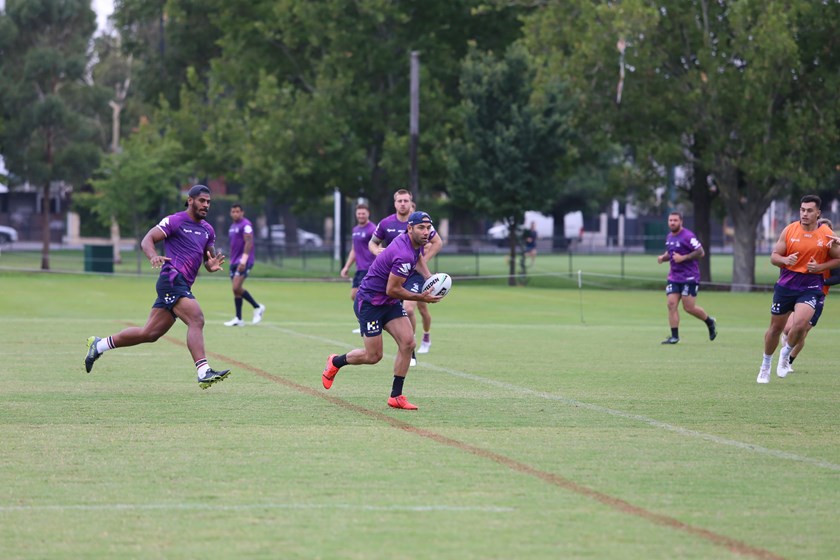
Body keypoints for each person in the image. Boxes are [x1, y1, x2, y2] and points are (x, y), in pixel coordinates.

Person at [84, 184, 232, 389]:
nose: (206, 205)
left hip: (182, 284)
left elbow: (208, 259)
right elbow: (148, 239)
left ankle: (99, 345)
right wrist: (153, 256)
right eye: (202, 201)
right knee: (196, 318)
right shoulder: (175, 221)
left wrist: (211, 265)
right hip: (172, 279)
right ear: (190, 200)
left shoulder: (208, 230)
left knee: (149, 334)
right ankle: (203, 371)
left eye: (208, 202)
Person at [322, 210, 443, 410]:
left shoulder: (413, 243)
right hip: (370, 303)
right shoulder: (403, 254)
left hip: (389, 303)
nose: (426, 232)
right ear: (410, 228)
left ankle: (396, 396)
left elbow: (419, 257)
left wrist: (429, 278)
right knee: (373, 356)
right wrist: (421, 297)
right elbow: (393, 289)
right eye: (421, 228)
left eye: (428, 228)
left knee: (408, 343)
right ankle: (335, 361)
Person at [758, 196, 840, 383]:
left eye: (809, 210)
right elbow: (774, 256)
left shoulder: (826, 233)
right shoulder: (789, 230)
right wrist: (785, 260)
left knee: (801, 324)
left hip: (811, 285)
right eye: (802, 210)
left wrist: (820, 267)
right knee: (776, 329)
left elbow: (838, 259)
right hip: (786, 285)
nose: (805, 213)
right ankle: (765, 365)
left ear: (818, 213)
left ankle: (785, 354)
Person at [369, 190, 443, 363]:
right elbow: (373, 243)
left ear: (411, 202)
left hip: (414, 274)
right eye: (400, 201)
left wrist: (423, 263)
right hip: (393, 273)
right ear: (394, 203)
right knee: (391, 304)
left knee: (410, 309)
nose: (403, 204)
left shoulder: (420, 222)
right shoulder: (386, 223)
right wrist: (376, 251)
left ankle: (412, 348)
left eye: (406, 200)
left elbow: (437, 242)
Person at [780, 219, 840, 372]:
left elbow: (838, 276)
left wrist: (821, 280)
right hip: (797, 291)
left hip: (818, 295)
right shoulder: (806, 248)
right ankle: (785, 349)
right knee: (788, 329)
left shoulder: (833, 257)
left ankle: (789, 361)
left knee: (802, 331)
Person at [657, 211, 717, 344]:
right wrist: (663, 257)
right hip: (674, 277)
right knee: (671, 304)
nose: (672, 223)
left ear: (681, 222)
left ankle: (709, 321)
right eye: (670, 220)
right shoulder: (669, 237)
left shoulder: (688, 236)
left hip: (689, 277)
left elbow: (701, 252)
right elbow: (671, 253)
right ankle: (674, 337)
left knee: (688, 308)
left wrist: (683, 258)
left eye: (675, 220)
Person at [223, 203, 266, 327]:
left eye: (238, 211)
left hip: (243, 261)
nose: (235, 214)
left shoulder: (246, 225)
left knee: (236, 287)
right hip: (233, 261)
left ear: (242, 212)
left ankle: (257, 307)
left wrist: (243, 260)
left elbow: (249, 242)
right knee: (236, 291)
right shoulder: (232, 226)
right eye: (233, 211)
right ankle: (239, 318)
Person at [340, 203, 377, 334]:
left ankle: (366, 323)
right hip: (359, 269)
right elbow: (354, 250)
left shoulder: (372, 229)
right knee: (354, 296)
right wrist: (346, 267)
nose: (361, 215)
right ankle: (365, 321)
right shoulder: (355, 229)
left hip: (369, 268)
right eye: (359, 213)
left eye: (363, 213)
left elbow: (377, 248)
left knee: (361, 297)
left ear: (368, 214)